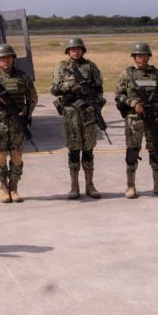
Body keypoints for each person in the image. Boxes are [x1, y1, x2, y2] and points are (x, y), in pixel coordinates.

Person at [0, 44, 38, 204]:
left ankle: (14, 188)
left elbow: (33, 97)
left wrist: (27, 111)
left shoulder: (23, 77)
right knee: (1, 156)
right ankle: (3, 188)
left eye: (9, 57)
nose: (6, 61)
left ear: (13, 59)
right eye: (3, 58)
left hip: (17, 123)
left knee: (17, 156)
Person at [50, 37, 104, 199]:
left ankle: (90, 184)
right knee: (73, 151)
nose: (76, 51)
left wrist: (94, 105)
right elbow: (54, 89)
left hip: (87, 113)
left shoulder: (91, 66)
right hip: (71, 113)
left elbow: (99, 89)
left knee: (88, 150)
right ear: (68, 51)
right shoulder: (62, 67)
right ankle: (74, 186)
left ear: (83, 50)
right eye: (72, 49)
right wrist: (70, 86)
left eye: (79, 48)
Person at [115, 42, 158, 198]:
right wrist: (133, 104)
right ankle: (130, 186)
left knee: (155, 152)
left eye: (145, 55)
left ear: (149, 56)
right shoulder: (127, 74)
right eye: (139, 55)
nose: (142, 58)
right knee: (132, 152)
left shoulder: (157, 74)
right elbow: (118, 95)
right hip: (134, 120)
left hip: (153, 120)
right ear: (134, 57)